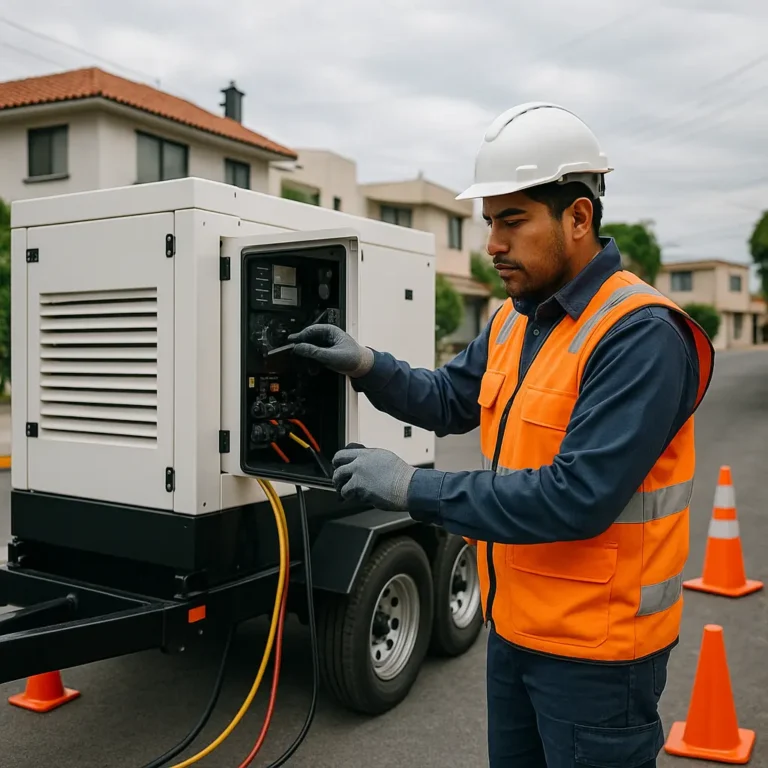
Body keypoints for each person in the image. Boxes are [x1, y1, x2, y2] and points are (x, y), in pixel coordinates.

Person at [288, 102, 715, 768]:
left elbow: (577, 497)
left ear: (579, 217)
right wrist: (367, 365)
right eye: (489, 223)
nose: (492, 245)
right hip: (515, 629)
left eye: (512, 221)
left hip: (597, 655)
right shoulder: (520, 320)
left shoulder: (639, 334)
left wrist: (409, 486)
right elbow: (453, 396)